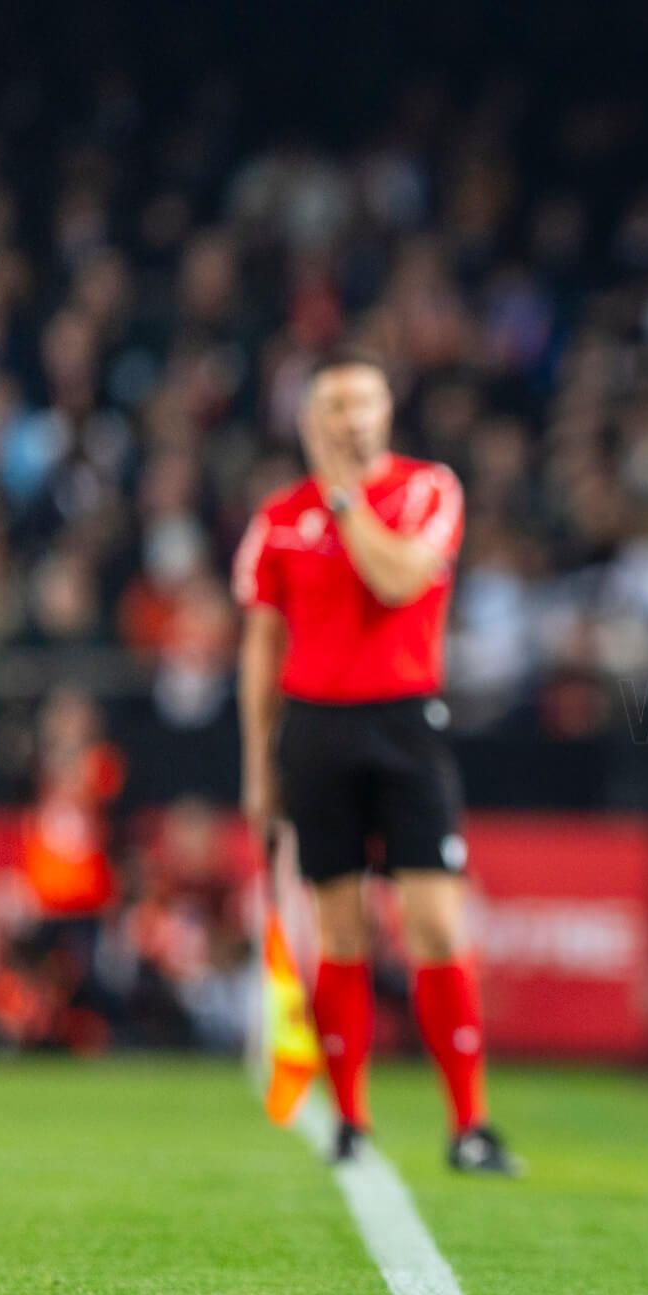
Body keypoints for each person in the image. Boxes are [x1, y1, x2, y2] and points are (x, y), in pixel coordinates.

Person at [234, 347, 514, 1175]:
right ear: (308, 422)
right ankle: (349, 1121)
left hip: (403, 724)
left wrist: (347, 500)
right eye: (333, 407)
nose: (350, 419)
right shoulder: (277, 519)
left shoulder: (430, 489)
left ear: (386, 412)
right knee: (340, 930)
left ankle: (469, 1124)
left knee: (432, 923)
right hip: (313, 729)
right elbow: (260, 647)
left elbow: (396, 581)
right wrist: (256, 765)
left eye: (363, 403)